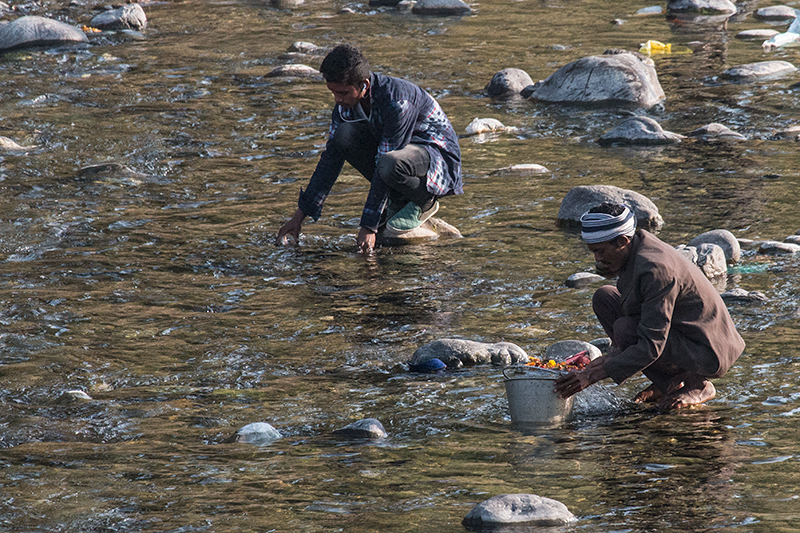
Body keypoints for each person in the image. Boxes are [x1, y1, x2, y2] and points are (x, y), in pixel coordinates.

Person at [554, 203, 745, 410]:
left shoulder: (656, 270)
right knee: (605, 298)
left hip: (708, 350)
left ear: (622, 241)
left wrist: (596, 372)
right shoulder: (636, 246)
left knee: (625, 330)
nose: (597, 259)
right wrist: (613, 359)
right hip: (684, 335)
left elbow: (651, 345)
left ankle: (697, 386)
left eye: (601, 251)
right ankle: (668, 383)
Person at [275, 43, 462, 253]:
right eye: (333, 92)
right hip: (401, 157)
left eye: (343, 93)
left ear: (363, 86)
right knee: (343, 136)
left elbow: (386, 158)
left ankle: (424, 200)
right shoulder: (345, 107)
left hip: (436, 160)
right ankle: (399, 200)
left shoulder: (396, 101)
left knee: (389, 162)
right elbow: (329, 162)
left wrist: (368, 226)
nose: (337, 99)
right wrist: (299, 217)